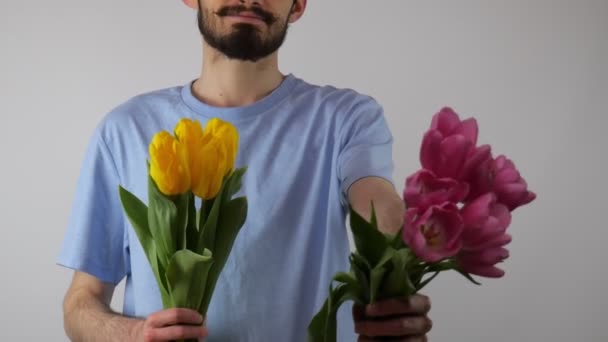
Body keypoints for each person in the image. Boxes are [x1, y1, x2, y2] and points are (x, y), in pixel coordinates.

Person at [57, 1, 433, 341]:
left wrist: (393, 274)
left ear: (298, 5)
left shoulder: (345, 118)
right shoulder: (127, 128)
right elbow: (80, 304)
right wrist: (137, 334)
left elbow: (375, 198)